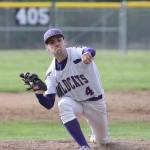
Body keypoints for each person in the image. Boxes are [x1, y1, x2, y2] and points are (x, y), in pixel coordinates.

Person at [34, 28, 110, 150]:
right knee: (63, 104)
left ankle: (95, 132)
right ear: (47, 48)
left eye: (59, 40)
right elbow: (48, 103)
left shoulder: (77, 53)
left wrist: (88, 54)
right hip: (75, 102)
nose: (56, 43)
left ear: (65, 41)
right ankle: (84, 146)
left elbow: (90, 50)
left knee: (102, 141)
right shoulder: (51, 73)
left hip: (95, 103)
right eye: (52, 42)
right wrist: (38, 93)